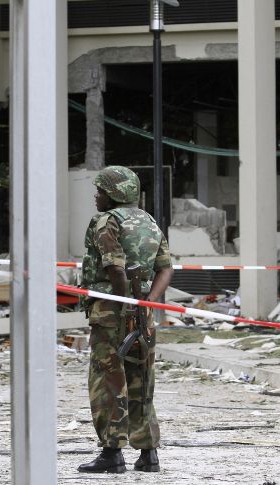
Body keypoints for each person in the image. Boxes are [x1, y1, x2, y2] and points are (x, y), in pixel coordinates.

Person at [77, 165, 174, 473]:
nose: (96, 196)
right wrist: (147, 304)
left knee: (108, 380)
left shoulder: (105, 221)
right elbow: (166, 268)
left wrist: (124, 306)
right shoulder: (148, 221)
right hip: (144, 313)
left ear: (113, 194)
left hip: (111, 312)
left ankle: (112, 453)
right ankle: (148, 454)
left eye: (100, 191)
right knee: (141, 379)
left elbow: (115, 269)